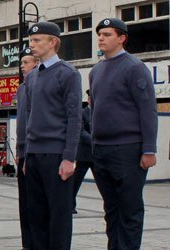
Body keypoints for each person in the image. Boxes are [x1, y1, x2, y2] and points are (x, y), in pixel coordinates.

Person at [90, 18, 157, 250]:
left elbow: (148, 110)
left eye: (107, 34)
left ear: (122, 38)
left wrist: (149, 149)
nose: (101, 38)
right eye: (99, 34)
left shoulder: (134, 67)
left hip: (128, 148)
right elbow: (94, 108)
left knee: (129, 209)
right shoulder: (96, 70)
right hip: (101, 150)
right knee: (111, 209)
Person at [24, 22, 82, 249]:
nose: (32, 45)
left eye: (38, 40)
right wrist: (28, 154)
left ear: (54, 42)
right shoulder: (32, 77)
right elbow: (30, 117)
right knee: (36, 215)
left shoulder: (68, 74)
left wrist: (69, 157)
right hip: (35, 154)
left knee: (58, 216)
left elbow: (74, 117)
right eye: (31, 41)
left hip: (57, 154)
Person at [15, 47, 38, 250]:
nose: (23, 67)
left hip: (34, 152)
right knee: (24, 203)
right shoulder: (22, 88)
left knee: (36, 203)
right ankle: (27, 243)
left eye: (27, 63)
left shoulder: (37, 85)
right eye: (22, 63)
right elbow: (21, 122)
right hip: (23, 152)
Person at [72, 89, 93, 214]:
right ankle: (70, 205)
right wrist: (95, 140)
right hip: (84, 154)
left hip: (96, 154)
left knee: (105, 183)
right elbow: (80, 131)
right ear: (88, 99)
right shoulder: (83, 113)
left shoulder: (101, 113)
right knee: (75, 182)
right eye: (91, 98)